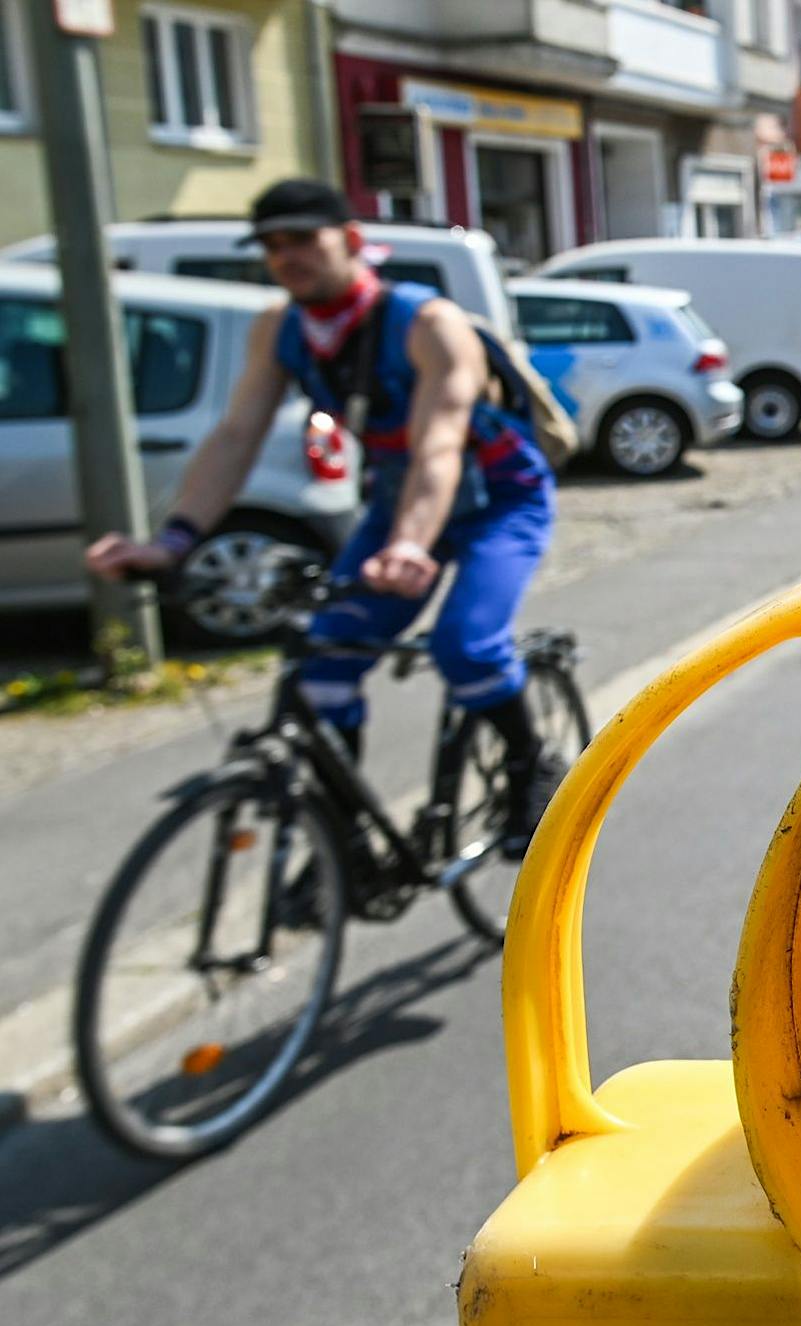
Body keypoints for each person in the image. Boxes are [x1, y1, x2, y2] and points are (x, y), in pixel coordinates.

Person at [86, 177, 561, 858]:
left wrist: (407, 545)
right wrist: (174, 540)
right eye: (273, 245)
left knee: (467, 646)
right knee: (325, 661)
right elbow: (235, 436)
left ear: (353, 241)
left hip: (498, 499)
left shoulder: (428, 324)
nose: (288, 256)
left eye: (304, 239)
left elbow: (439, 444)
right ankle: (346, 849)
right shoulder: (281, 329)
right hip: (400, 504)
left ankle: (530, 771)